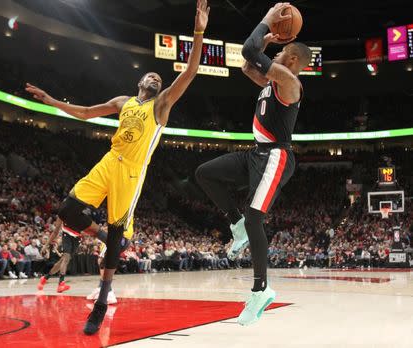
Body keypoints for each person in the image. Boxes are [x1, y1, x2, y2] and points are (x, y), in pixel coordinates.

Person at [24, 0, 210, 335]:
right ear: (141, 80)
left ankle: (102, 299)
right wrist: (51, 99)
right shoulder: (122, 102)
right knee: (67, 209)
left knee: (114, 236)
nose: (155, 77)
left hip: (132, 173)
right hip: (110, 161)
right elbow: (84, 113)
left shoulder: (162, 104)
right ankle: (107, 237)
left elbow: (191, 71)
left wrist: (198, 32)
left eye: (159, 76)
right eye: (150, 74)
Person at [196, 2, 311, 326]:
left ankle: (261, 289)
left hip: (276, 156)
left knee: (254, 218)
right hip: (255, 154)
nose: (275, 55)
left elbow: (248, 49)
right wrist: (265, 45)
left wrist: (267, 20)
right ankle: (234, 226)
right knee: (205, 174)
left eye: (281, 51)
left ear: (290, 60)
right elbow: (249, 65)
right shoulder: (271, 83)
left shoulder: (288, 81)